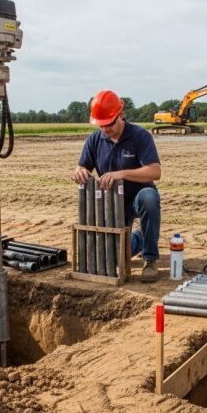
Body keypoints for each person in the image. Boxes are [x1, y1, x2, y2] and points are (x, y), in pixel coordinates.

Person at [73, 90, 162, 282]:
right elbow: (82, 166)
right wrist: (79, 170)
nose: (105, 130)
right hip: (113, 204)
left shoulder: (140, 136)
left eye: (109, 124)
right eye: (101, 125)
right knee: (114, 257)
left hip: (138, 195)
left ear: (120, 115)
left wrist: (122, 174)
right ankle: (141, 238)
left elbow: (155, 171)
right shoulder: (95, 140)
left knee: (149, 199)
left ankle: (150, 259)